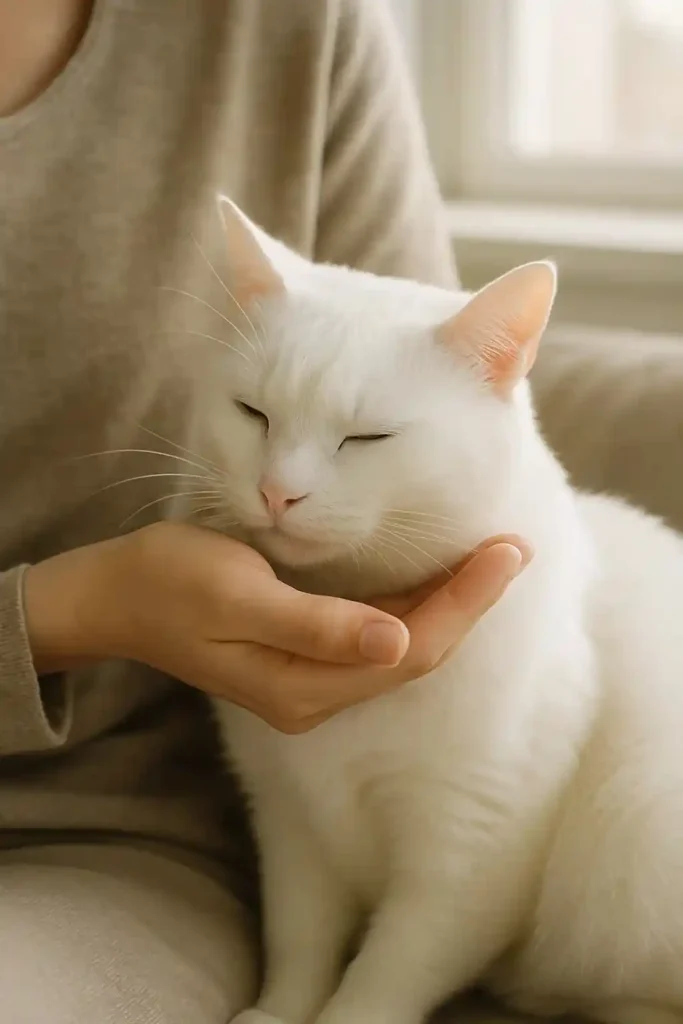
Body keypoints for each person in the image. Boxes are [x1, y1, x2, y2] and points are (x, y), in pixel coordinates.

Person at [0, 1, 530, 1020]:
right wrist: (68, 614)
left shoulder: (293, 23)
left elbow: (416, 375)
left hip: (104, 833)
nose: (284, 480)